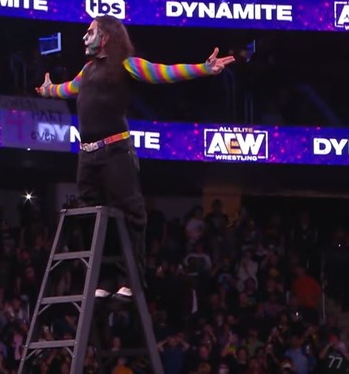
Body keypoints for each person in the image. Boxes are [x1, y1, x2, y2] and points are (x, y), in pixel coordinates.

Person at [36, 15, 234, 297]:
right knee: (93, 217)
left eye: (90, 31)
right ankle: (105, 279)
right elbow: (67, 88)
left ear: (106, 36)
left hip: (116, 151)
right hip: (87, 156)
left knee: (130, 215)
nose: (84, 36)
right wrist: (48, 90)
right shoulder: (87, 70)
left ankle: (131, 278)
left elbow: (164, 72)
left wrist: (203, 68)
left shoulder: (127, 64)